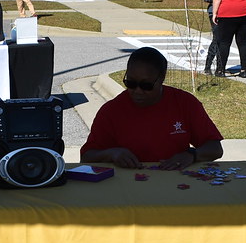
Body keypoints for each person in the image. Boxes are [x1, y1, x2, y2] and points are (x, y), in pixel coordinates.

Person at [80, 47, 223, 169]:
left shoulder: (185, 103)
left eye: (146, 85)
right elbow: (86, 157)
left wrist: (192, 155)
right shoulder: (111, 111)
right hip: (128, 186)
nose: (137, 91)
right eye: (130, 83)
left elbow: (215, 148)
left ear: (162, 79)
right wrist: (112, 154)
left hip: (176, 183)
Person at [201, 0, 220, 75]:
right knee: (217, 39)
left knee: (223, 40)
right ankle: (208, 66)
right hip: (214, 13)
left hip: (226, 13)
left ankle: (220, 67)